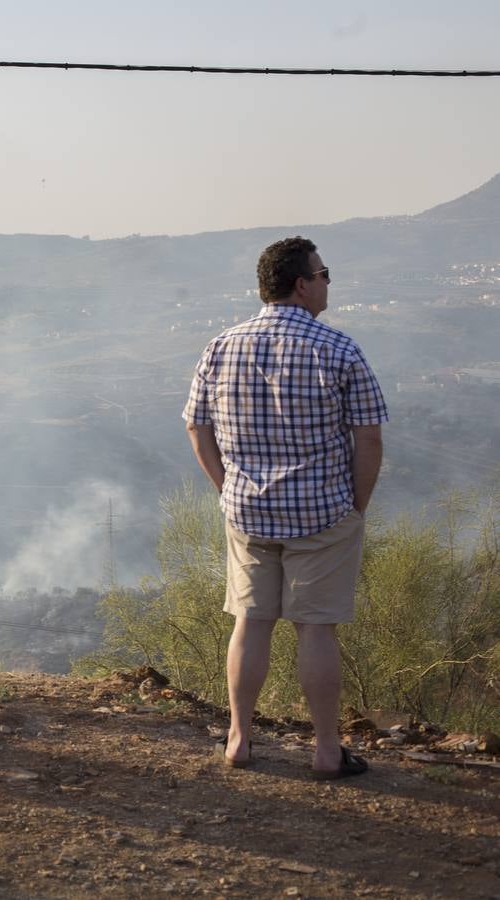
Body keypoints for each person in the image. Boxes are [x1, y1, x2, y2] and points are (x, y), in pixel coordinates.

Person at [184, 236, 387, 779]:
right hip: (323, 514)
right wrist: (356, 506)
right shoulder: (339, 349)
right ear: (302, 284)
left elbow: (196, 427)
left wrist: (226, 487)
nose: (327, 283)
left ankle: (239, 740)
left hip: (248, 513)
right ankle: (326, 751)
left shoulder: (221, 346)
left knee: (250, 623)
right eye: (324, 274)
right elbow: (369, 438)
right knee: (316, 630)